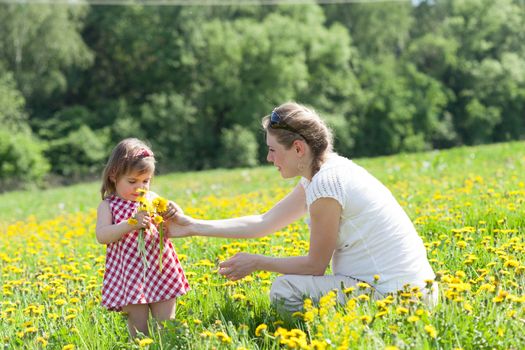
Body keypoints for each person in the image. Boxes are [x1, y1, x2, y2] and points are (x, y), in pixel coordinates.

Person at [167, 102, 437, 312]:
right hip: (408, 291)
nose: (269, 158)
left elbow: (314, 266)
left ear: (298, 148)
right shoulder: (324, 172)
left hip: (396, 298)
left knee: (284, 289)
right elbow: (265, 222)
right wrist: (192, 226)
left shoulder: (325, 184)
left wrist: (258, 262)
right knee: (289, 286)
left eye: (273, 150)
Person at [96, 138, 189, 337]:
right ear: (114, 176)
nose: (141, 187)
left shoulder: (151, 197)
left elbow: (178, 218)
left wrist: (173, 209)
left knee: (167, 327)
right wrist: (131, 223)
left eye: (145, 181)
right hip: (129, 274)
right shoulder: (108, 205)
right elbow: (102, 235)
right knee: (139, 331)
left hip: (160, 268)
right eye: (132, 181)